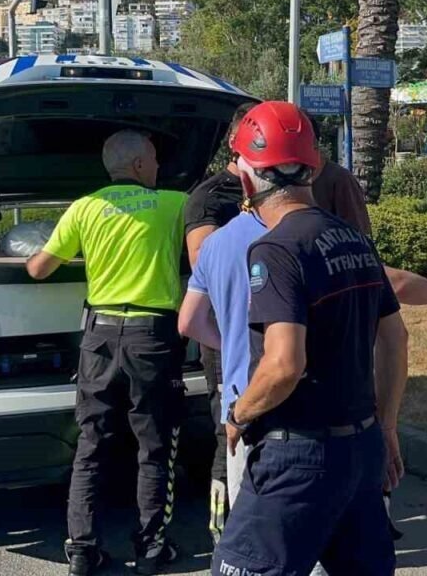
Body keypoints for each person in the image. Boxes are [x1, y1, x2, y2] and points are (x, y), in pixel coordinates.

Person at [210, 101, 410, 576]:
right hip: (361, 447)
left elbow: (284, 364)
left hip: (298, 455)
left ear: (247, 181)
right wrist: (386, 427)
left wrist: (238, 415)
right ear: (313, 168)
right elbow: (396, 337)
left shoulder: (276, 249)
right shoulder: (355, 239)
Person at [27, 130, 187, 576]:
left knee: (92, 443)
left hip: (99, 336)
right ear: (138, 165)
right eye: (153, 159)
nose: (158, 167)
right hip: (151, 336)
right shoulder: (174, 203)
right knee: (154, 444)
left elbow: (39, 269)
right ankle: (151, 548)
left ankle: (82, 549)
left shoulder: (84, 207)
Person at [182, 103, 252, 545]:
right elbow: (202, 266)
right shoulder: (210, 197)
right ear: (234, 142)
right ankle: (223, 532)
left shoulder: (277, 190)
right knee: (227, 431)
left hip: (276, 335)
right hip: (226, 339)